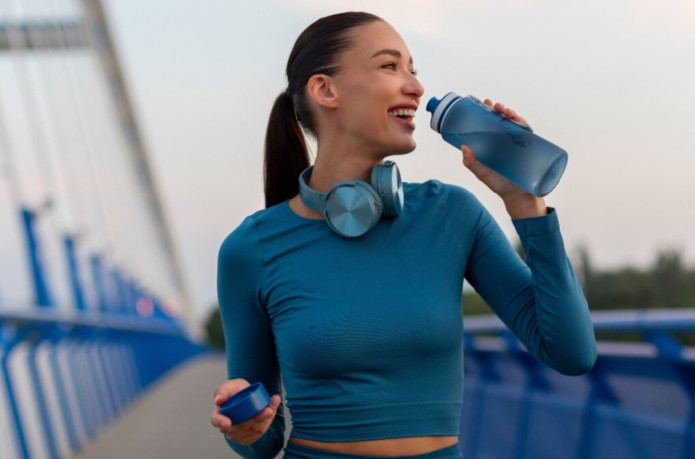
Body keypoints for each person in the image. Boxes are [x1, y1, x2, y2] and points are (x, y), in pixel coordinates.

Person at [210, 11, 597, 459]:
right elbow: (263, 440)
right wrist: (245, 427)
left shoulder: (451, 214)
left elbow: (572, 354)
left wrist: (526, 204)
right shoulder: (250, 249)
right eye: (390, 66)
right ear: (325, 90)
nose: (415, 86)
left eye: (413, 69)